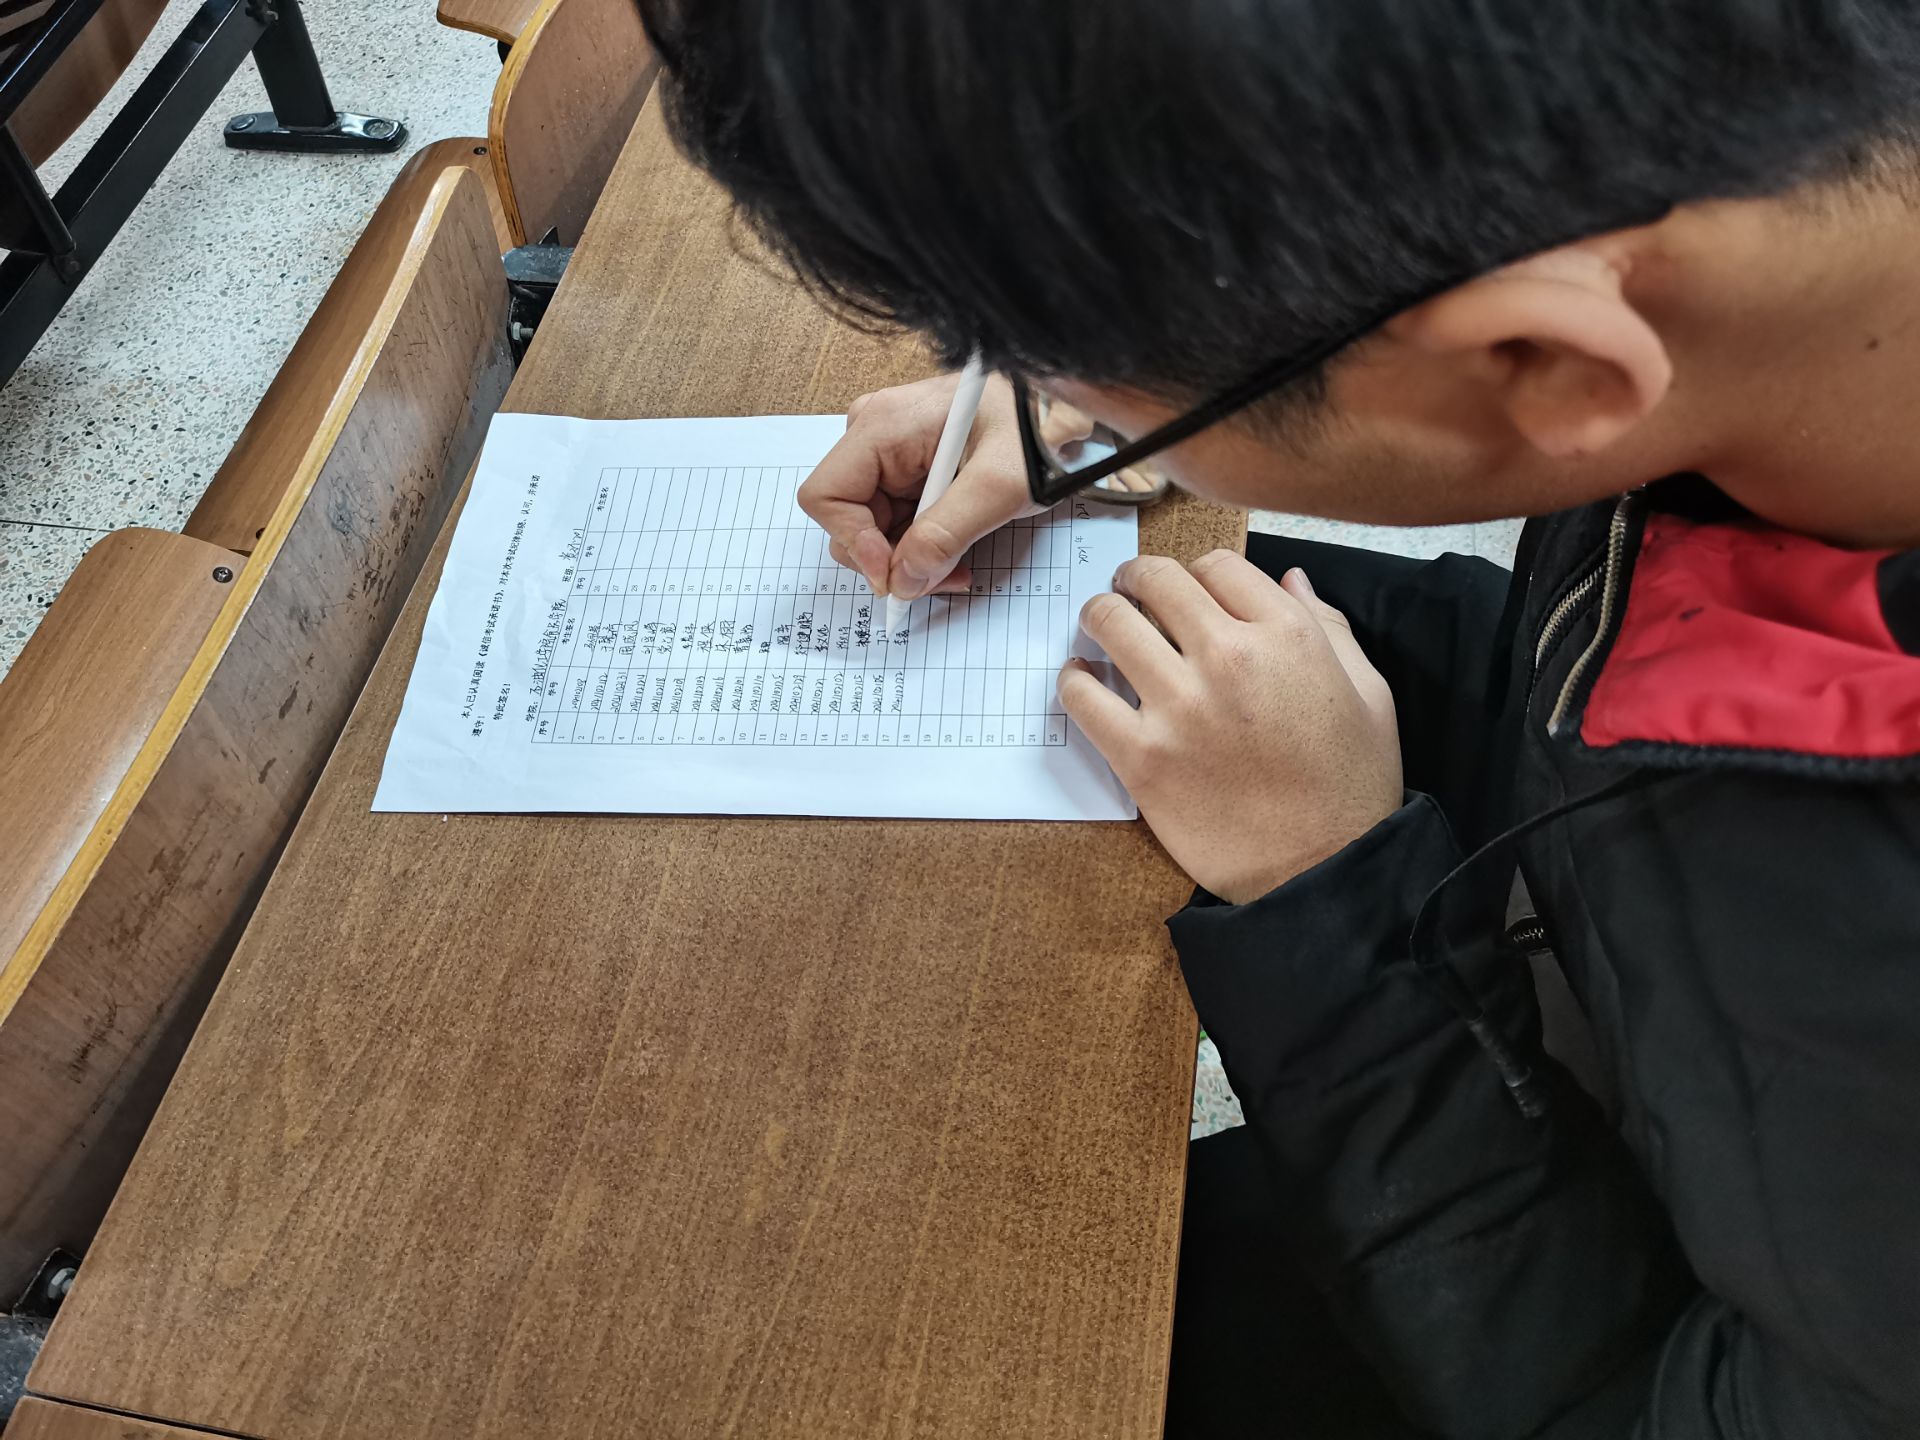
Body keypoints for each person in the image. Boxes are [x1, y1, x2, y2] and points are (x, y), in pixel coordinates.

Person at [633, 2, 1920, 1435]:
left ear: (1544, 365)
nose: (1056, 405)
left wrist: (1329, 887)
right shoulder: (1785, 286)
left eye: (1110, 391)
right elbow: (1634, 692)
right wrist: (1114, 414)